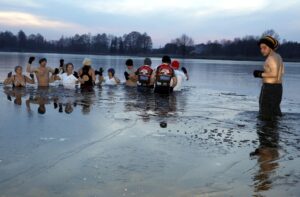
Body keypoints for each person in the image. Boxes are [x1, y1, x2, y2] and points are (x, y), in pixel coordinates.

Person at [253, 35, 284, 120]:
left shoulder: (271, 58)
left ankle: (265, 132)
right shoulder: (279, 57)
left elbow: (274, 73)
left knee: (264, 111)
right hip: (278, 88)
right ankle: (275, 130)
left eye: (264, 47)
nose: (262, 50)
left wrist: (259, 74)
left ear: (270, 47)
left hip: (269, 88)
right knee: (275, 111)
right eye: (261, 48)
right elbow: (281, 72)